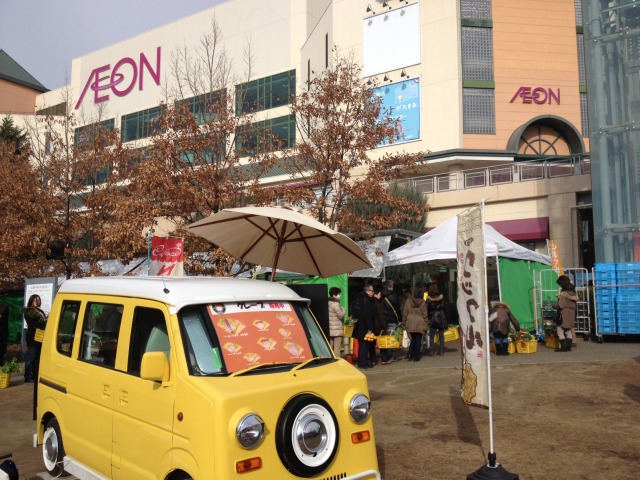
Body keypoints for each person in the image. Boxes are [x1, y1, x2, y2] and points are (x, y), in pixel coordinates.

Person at [351, 283, 375, 370]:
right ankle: (363, 363)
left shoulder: (358, 299)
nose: (373, 293)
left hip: (358, 326)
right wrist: (370, 328)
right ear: (367, 291)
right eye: (372, 291)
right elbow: (367, 316)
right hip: (364, 327)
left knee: (362, 345)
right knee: (364, 346)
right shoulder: (366, 300)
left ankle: (362, 362)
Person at [23, 294, 47, 382]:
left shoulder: (40, 311)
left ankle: (35, 374)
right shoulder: (28, 311)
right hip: (32, 336)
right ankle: (28, 376)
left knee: (37, 356)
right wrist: (42, 324)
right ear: (31, 301)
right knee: (31, 356)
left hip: (40, 336)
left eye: (39, 300)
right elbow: (32, 323)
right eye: (36, 300)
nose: (38, 302)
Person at [403, 286, 428, 362]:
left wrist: (404, 321)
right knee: (418, 339)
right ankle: (416, 357)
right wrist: (426, 323)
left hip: (410, 322)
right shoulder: (423, 302)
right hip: (420, 322)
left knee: (413, 339)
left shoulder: (408, 301)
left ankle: (410, 354)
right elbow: (425, 314)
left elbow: (405, 312)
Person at [380, 280, 401, 364]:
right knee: (390, 339)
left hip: (382, 321)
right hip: (392, 320)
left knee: (383, 339)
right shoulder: (393, 296)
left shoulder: (380, 295)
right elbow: (397, 309)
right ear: (390, 287)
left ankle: (384, 356)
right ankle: (389, 356)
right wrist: (399, 320)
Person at [555, 275, 578, 352]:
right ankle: (568, 347)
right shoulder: (573, 293)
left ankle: (564, 347)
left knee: (560, 330)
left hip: (564, 314)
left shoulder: (563, 293)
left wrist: (554, 305)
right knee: (568, 330)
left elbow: (561, 305)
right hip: (572, 313)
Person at [426, 283, 447, 357]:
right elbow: (444, 307)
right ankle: (441, 351)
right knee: (441, 335)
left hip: (433, 318)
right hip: (441, 316)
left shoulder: (428, 299)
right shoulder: (441, 298)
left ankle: (431, 351)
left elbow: (427, 309)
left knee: (431, 336)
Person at [328, 287, 346, 357]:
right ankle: (337, 361)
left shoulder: (328, 303)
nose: (339, 295)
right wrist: (344, 309)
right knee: (337, 349)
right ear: (334, 295)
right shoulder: (336, 304)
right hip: (337, 330)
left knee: (330, 348)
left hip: (330, 329)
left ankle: (329, 360)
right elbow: (341, 315)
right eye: (338, 294)